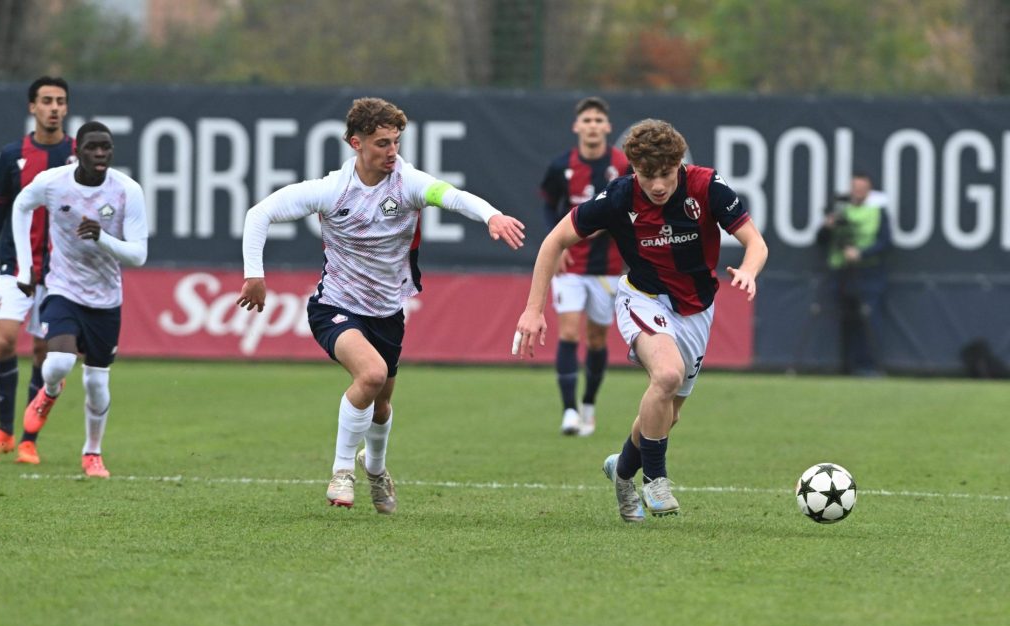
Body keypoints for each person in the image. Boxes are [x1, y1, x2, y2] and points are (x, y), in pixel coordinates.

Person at [237, 97, 525, 515]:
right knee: (370, 376)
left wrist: (492, 217)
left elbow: (453, 196)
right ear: (356, 143)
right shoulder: (331, 190)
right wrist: (254, 274)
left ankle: (375, 470)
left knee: (383, 402)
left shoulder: (408, 183)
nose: (392, 152)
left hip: (388, 312)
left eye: (396, 142)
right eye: (382, 143)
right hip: (334, 306)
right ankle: (341, 471)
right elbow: (259, 213)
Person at [513, 119, 768, 523]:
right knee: (666, 376)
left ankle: (622, 471)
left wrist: (749, 269)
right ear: (633, 168)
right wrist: (532, 309)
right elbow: (553, 241)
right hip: (643, 298)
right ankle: (656, 478)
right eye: (649, 175)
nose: (659, 185)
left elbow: (755, 242)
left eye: (666, 174)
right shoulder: (619, 197)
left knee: (668, 413)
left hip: (697, 309)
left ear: (680, 165)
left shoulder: (706, 186)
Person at [12, 121, 149, 478]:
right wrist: (26, 266)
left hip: (106, 299)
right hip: (63, 288)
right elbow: (20, 206)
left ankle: (92, 452)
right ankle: (50, 391)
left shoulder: (127, 191)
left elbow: (138, 255)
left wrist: (102, 238)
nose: (100, 153)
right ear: (78, 151)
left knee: (96, 381)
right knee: (56, 363)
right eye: (93, 147)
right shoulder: (54, 183)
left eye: (106, 147)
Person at [0, 76, 74, 466]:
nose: (54, 107)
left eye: (60, 101)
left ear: (66, 108)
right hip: (15, 265)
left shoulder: (78, 156)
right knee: (4, 341)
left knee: (44, 351)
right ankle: (2, 431)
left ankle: (28, 439)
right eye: (46, 101)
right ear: (32, 108)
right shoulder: (11, 156)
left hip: (59, 271)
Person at [539, 96, 629, 437]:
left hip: (607, 267)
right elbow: (549, 205)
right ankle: (569, 411)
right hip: (572, 264)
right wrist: (556, 242)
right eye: (586, 120)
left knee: (596, 338)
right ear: (577, 126)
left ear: (607, 127)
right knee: (568, 333)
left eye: (598, 120)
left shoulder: (622, 166)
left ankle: (589, 403)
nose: (592, 126)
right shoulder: (561, 165)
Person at [817, 172, 891, 376]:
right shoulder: (841, 211)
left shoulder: (877, 212)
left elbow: (885, 242)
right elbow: (821, 240)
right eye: (855, 188)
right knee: (844, 320)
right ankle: (845, 365)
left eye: (862, 188)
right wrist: (828, 226)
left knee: (869, 319)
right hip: (841, 273)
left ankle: (868, 366)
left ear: (868, 190)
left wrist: (860, 253)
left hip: (868, 273)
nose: (857, 192)